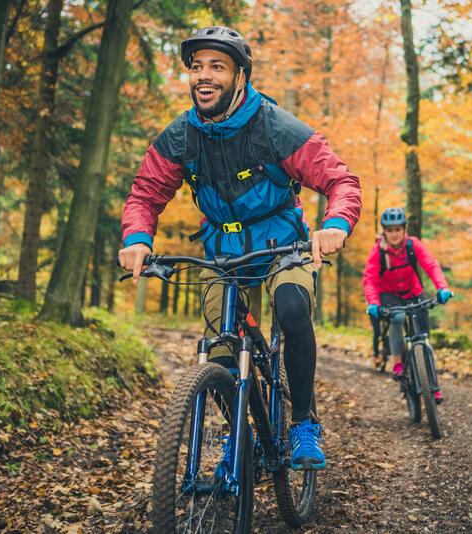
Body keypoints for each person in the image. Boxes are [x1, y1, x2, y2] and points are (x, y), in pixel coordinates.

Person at [118, 26, 361, 470]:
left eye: (217, 66)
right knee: (221, 349)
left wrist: (335, 225)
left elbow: (340, 181)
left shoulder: (274, 126)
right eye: (196, 67)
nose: (203, 76)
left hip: (282, 245)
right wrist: (137, 240)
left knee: (290, 308)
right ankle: (241, 433)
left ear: (241, 77)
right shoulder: (180, 137)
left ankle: (304, 424)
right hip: (222, 252)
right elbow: (145, 195)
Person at [362, 207, 452, 403]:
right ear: (384, 231)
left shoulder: (413, 245)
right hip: (389, 295)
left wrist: (442, 288)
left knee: (423, 336)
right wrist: (374, 303)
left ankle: (432, 386)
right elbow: (370, 278)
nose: (394, 234)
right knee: (398, 317)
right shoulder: (378, 251)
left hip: (413, 292)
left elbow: (431, 264)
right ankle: (397, 362)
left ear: (404, 230)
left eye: (397, 229)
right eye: (390, 230)